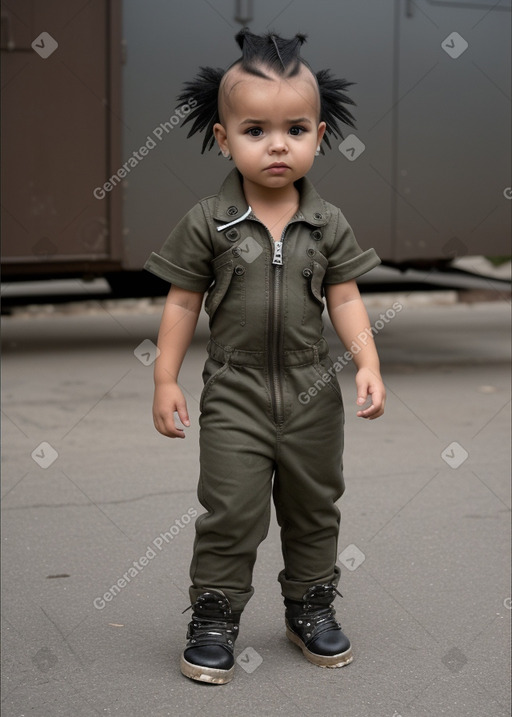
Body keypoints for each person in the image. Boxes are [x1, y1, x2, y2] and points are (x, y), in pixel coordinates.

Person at [144, 29, 385, 685]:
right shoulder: (207, 221)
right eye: (255, 129)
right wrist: (165, 376)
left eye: (295, 128)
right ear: (224, 139)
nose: (277, 144)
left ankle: (310, 603)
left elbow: (345, 298)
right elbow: (179, 304)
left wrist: (367, 361)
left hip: (313, 397)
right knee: (231, 508)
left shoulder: (327, 222)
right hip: (235, 396)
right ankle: (215, 612)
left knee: (314, 505)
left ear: (320, 134)